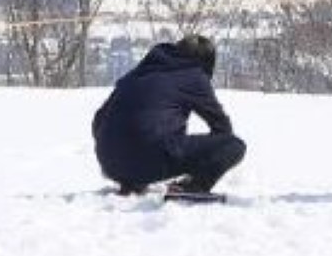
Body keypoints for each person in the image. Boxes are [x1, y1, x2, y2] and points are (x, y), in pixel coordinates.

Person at [90, 33, 245, 197]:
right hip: (149, 159)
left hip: (110, 164)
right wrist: (204, 164)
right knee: (233, 146)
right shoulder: (194, 75)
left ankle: (133, 180)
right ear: (207, 62)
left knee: (148, 141)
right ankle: (191, 188)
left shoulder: (135, 75)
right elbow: (221, 126)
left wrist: (119, 152)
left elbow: (98, 121)